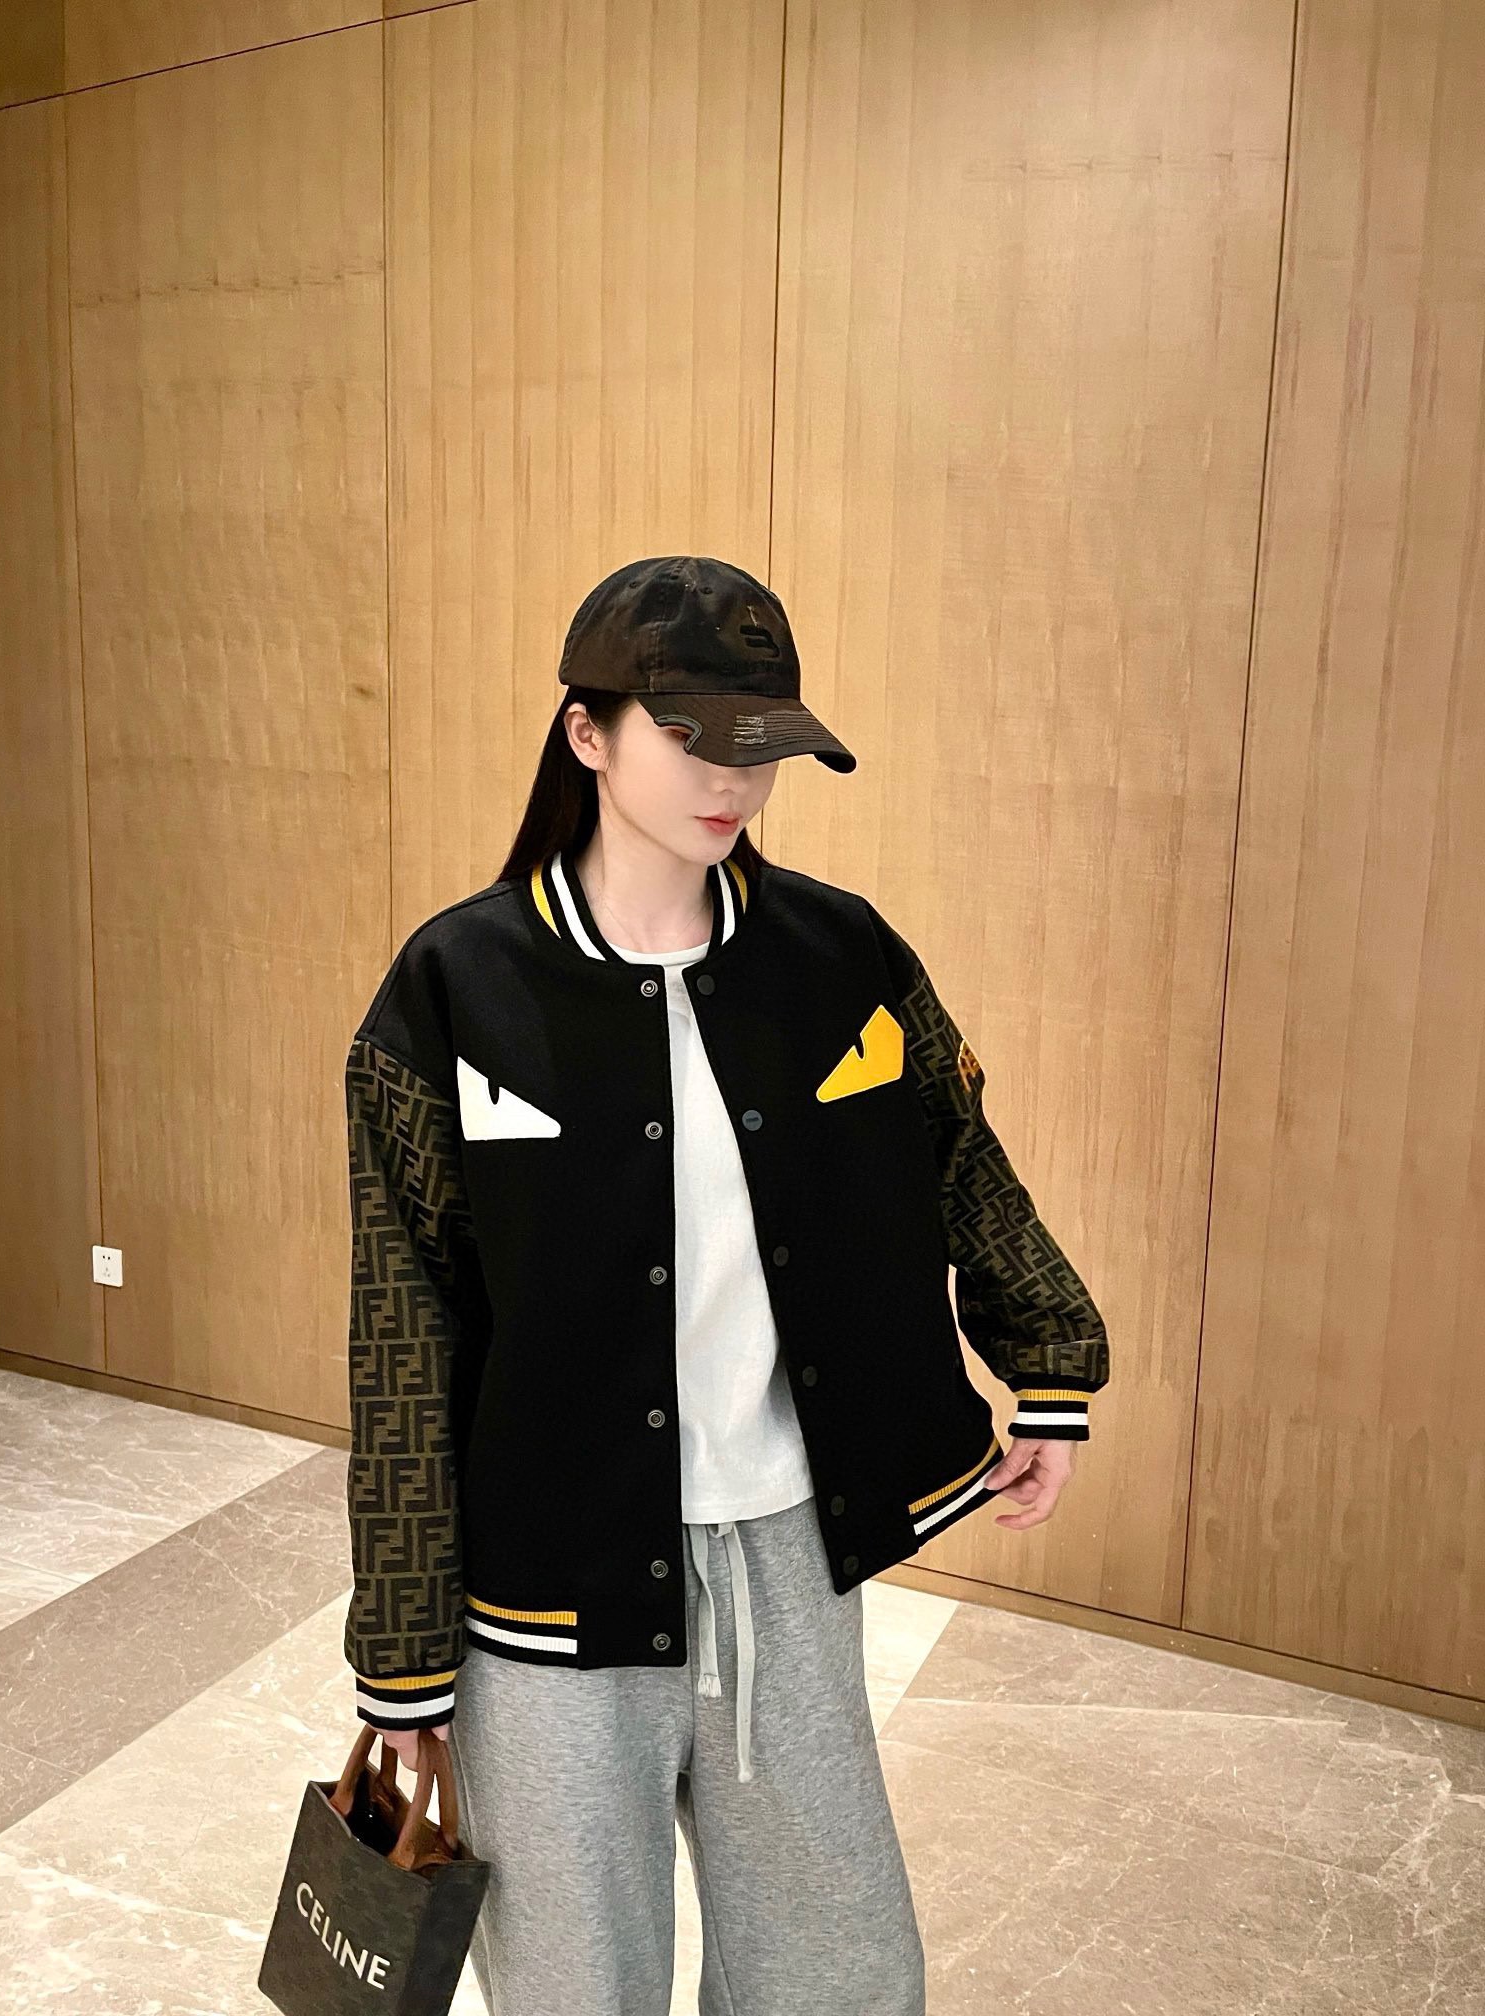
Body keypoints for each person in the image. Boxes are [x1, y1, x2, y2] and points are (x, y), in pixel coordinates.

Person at [340, 554, 1109, 2014]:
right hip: (546, 1590)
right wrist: (400, 1662)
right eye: (694, 735)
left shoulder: (838, 953)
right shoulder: (457, 987)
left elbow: (956, 1155)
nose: (734, 777)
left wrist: (1052, 1359)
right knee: (575, 1980)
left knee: (836, 1968)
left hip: (784, 1553)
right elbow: (403, 1331)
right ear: (587, 733)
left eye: (762, 742)